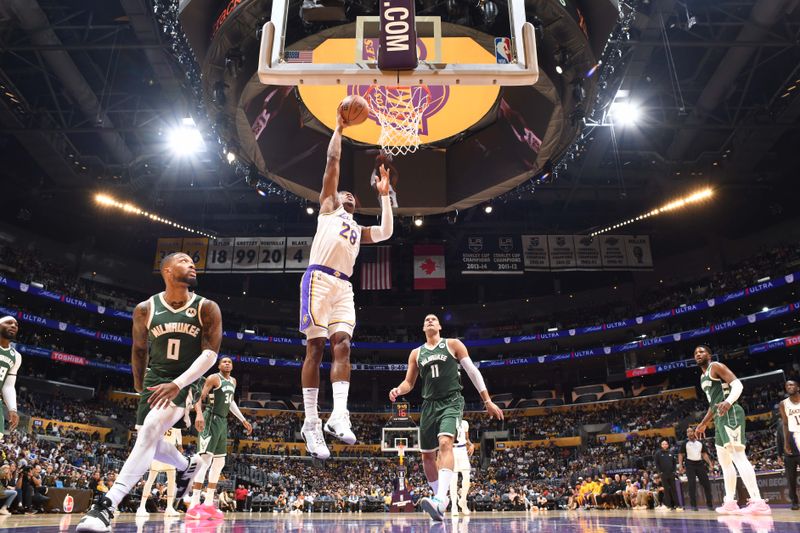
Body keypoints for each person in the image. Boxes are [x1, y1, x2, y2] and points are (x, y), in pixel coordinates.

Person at [77, 252, 223, 532]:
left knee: (150, 431)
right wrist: (139, 385)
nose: (192, 264)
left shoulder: (207, 307)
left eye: (193, 261)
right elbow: (139, 349)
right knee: (149, 439)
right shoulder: (146, 308)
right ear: (167, 270)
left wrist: (178, 384)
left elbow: (209, 355)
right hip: (155, 379)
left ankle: (107, 505)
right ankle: (186, 464)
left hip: (187, 379)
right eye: (184, 260)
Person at [300, 107, 394, 459]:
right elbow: (332, 164)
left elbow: (385, 232)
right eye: (346, 194)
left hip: (344, 286)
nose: (350, 196)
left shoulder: (357, 229)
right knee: (316, 348)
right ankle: (311, 422)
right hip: (319, 279)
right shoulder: (328, 208)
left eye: (355, 196)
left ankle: (339, 414)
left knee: (344, 346)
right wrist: (338, 128)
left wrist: (384, 195)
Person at [388, 314, 504, 521]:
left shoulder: (453, 344)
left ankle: (441, 499)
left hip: (451, 401)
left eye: (434, 319)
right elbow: (409, 383)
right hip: (428, 405)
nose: (430, 321)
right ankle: (440, 500)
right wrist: (398, 389)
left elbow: (472, 372)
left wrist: (487, 401)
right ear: (423, 328)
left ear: (440, 326)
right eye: (426, 320)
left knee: (445, 443)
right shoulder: (416, 353)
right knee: (427, 457)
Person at [694, 344, 771, 515]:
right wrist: (704, 422)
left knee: (738, 456)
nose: (698, 354)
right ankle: (730, 502)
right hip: (720, 417)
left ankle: (758, 501)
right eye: (695, 353)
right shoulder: (702, 377)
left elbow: (738, 385)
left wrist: (728, 402)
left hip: (731, 413)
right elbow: (712, 405)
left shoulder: (716, 367)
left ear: (709, 354)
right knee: (725, 462)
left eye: (702, 351)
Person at [187, 357, 253, 519]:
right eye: (224, 361)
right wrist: (199, 415)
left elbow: (230, 403)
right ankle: (194, 504)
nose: (227, 363)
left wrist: (242, 419)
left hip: (222, 422)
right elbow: (199, 397)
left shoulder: (234, 381)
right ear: (219, 365)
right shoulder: (213, 378)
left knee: (219, 462)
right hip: (210, 419)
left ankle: (208, 503)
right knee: (204, 461)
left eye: (229, 362)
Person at [135, 428, 182, 517]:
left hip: (160, 450)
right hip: (165, 449)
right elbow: (178, 432)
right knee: (161, 479)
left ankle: (168, 507)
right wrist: (180, 445)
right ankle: (143, 507)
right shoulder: (174, 418)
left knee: (162, 479)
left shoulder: (163, 418)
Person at [679, 426, 714, 511]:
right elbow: (681, 454)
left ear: (694, 432)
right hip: (689, 464)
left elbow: (704, 454)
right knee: (692, 485)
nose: (689, 433)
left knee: (706, 484)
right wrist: (680, 465)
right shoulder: (685, 443)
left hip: (700, 464)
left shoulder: (700, 443)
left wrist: (710, 463)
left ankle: (710, 505)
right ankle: (693, 506)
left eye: (691, 431)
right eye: (688, 432)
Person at [779, 379, 800, 510]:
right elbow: (785, 424)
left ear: (798, 387)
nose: (789, 387)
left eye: (792, 384)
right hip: (794, 439)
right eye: (787, 385)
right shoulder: (783, 404)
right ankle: (794, 502)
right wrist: (786, 443)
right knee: (791, 478)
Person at [0, 316, 21, 440]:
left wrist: (12, 409)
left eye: (16, 324)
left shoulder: (16, 356)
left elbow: (8, 386)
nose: (13, 325)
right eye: (8, 323)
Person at [450, 419, 474, 516]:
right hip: (452, 450)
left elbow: (467, 439)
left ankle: (463, 501)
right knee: (453, 480)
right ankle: (454, 506)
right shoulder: (448, 421)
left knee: (467, 477)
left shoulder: (465, 423)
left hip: (462, 450)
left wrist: (471, 445)